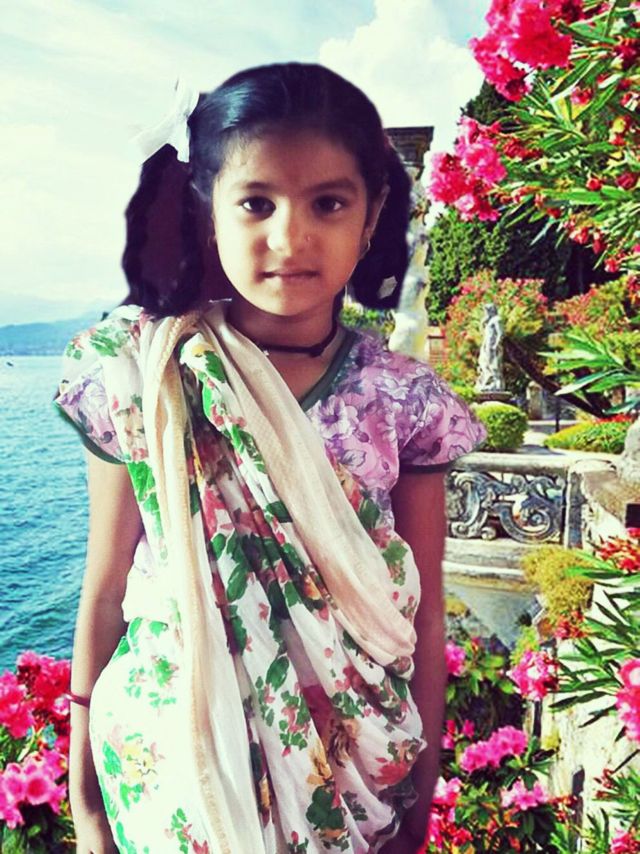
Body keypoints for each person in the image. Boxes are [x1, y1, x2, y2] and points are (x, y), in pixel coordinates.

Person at [55, 63, 486, 854]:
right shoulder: (141, 373)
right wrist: (84, 797)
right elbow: (108, 583)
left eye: (328, 203)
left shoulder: (405, 403)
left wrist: (421, 802)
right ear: (206, 210)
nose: (290, 238)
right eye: (257, 203)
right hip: (172, 776)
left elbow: (424, 614)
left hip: (356, 778)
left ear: (371, 215)